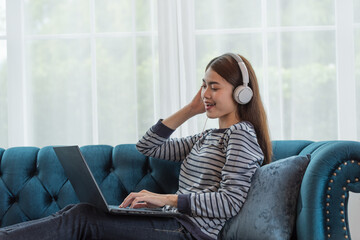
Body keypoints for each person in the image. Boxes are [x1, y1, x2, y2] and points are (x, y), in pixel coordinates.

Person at [0, 53, 272, 240]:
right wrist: (190, 110)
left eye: (214, 87)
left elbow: (230, 202)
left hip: (189, 232)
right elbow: (148, 146)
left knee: (82, 219)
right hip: (173, 222)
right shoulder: (207, 137)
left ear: (241, 93)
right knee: (79, 211)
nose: (205, 94)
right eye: (203, 86)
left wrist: (164, 199)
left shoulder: (241, 136)